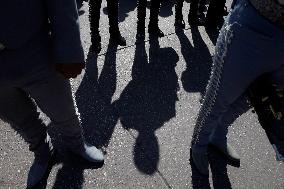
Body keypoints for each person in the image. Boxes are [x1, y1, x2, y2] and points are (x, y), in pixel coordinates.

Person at [0, 0, 104, 188]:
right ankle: (43, 152)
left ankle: (76, 144)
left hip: (34, 49)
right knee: (20, 119)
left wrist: (70, 50)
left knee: (62, 110)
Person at [191, 0, 284, 175]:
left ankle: (218, 134)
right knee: (218, 98)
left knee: (256, 99)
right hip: (251, 27)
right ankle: (198, 145)